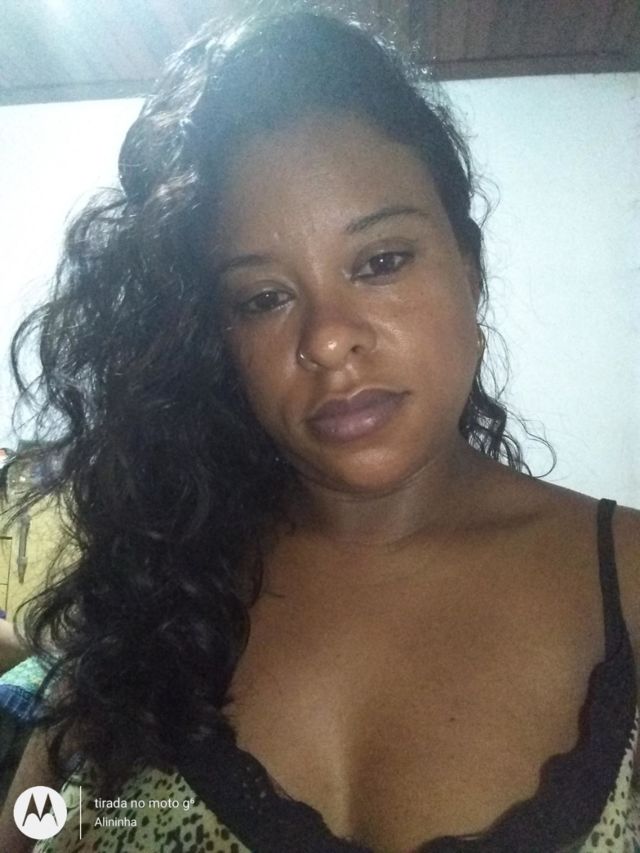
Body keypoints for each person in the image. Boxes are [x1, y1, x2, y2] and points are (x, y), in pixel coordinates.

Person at [1, 10, 639, 853]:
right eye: (263, 297)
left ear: (469, 269)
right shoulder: (157, 582)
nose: (329, 339)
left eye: (381, 261)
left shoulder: (626, 581)